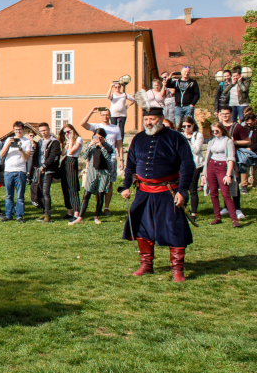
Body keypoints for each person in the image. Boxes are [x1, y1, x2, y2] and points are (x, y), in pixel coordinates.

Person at [119, 107, 194, 281]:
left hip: (168, 192)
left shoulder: (176, 138)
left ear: (161, 119)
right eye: (146, 119)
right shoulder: (138, 139)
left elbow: (187, 165)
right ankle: (146, 265)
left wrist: (182, 191)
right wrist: (125, 186)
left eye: (152, 119)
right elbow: (131, 164)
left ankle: (177, 270)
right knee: (142, 228)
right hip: (143, 192)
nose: (148, 122)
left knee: (174, 229)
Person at [80, 107, 122, 215]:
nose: (105, 117)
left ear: (110, 115)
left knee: (109, 184)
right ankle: (96, 209)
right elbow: (82, 123)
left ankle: (106, 208)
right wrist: (91, 111)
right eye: (103, 115)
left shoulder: (116, 128)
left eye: (107, 115)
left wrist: (121, 159)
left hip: (110, 158)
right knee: (95, 185)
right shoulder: (96, 126)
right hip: (97, 158)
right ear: (100, 115)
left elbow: (119, 144)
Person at [69, 129, 114, 225]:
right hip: (92, 171)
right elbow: (84, 156)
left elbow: (108, 158)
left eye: (100, 137)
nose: (98, 139)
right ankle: (80, 216)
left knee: (100, 194)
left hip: (103, 172)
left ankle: (96, 216)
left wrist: (101, 146)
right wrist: (90, 146)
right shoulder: (91, 145)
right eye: (96, 137)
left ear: (103, 138)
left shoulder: (107, 146)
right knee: (87, 194)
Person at [205, 122, 240, 228]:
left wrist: (228, 175)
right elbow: (208, 156)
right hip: (211, 165)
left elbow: (231, 158)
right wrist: (204, 174)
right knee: (213, 192)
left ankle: (234, 219)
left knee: (226, 194)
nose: (215, 133)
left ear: (222, 130)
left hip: (222, 167)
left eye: (217, 130)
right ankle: (217, 217)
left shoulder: (228, 141)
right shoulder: (212, 141)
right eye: (213, 131)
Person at [218, 107, 248, 220]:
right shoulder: (218, 126)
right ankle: (226, 207)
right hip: (220, 159)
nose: (224, 116)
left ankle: (237, 208)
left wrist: (233, 141)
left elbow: (247, 141)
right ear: (220, 114)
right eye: (223, 114)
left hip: (233, 159)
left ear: (231, 114)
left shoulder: (237, 127)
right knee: (224, 184)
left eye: (227, 114)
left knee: (234, 183)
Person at [0, 121, 32, 222]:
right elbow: (1, 154)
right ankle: (8, 215)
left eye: (20, 130)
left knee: (19, 196)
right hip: (8, 171)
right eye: (16, 130)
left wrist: (20, 148)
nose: (18, 132)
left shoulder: (27, 142)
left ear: (23, 130)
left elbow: (27, 158)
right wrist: (8, 144)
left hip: (20, 171)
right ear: (13, 130)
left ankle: (19, 215)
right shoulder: (8, 140)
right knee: (9, 195)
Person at [30, 123, 61, 222]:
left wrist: (44, 166)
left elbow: (53, 156)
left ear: (49, 129)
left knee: (45, 192)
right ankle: (44, 212)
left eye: (45, 130)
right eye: (41, 131)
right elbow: (36, 155)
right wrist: (36, 166)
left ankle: (48, 214)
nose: (43, 132)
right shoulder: (40, 141)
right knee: (40, 191)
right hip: (39, 170)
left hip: (49, 170)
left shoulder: (54, 142)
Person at [179, 117, 205, 223]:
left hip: (196, 164)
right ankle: (184, 210)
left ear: (193, 125)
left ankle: (193, 213)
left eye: (188, 126)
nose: (186, 128)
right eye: (184, 126)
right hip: (182, 165)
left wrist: (188, 141)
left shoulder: (198, 135)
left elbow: (196, 150)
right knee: (182, 188)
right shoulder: (180, 135)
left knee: (193, 189)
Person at [58, 123, 83, 220]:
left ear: (73, 130)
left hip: (72, 162)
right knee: (65, 187)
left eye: (69, 131)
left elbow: (72, 152)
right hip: (65, 162)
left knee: (73, 188)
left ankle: (76, 213)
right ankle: (69, 211)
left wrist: (71, 140)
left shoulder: (78, 139)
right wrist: (67, 142)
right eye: (65, 133)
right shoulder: (68, 141)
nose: (67, 134)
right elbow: (63, 153)